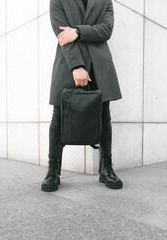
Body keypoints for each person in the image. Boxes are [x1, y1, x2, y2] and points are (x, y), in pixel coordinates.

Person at [41, 0, 123, 192]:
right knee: (59, 116)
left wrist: (77, 32)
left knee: (104, 116)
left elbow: (106, 30)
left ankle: (107, 168)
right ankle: (53, 170)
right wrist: (77, 66)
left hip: (100, 64)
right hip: (68, 62)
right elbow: (62, 36)